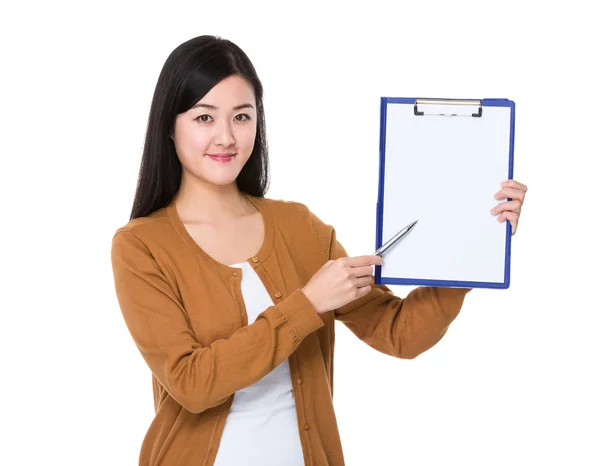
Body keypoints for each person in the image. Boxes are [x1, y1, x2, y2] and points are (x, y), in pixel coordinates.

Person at [110, 35, 528, 466]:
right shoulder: (141, 246)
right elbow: (192, 383)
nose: (226, 136)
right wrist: (308, 302)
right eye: (204, 117)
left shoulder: (300, 227)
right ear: (169, 125)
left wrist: (471, 242)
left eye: (241, 116)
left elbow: (400, 333)